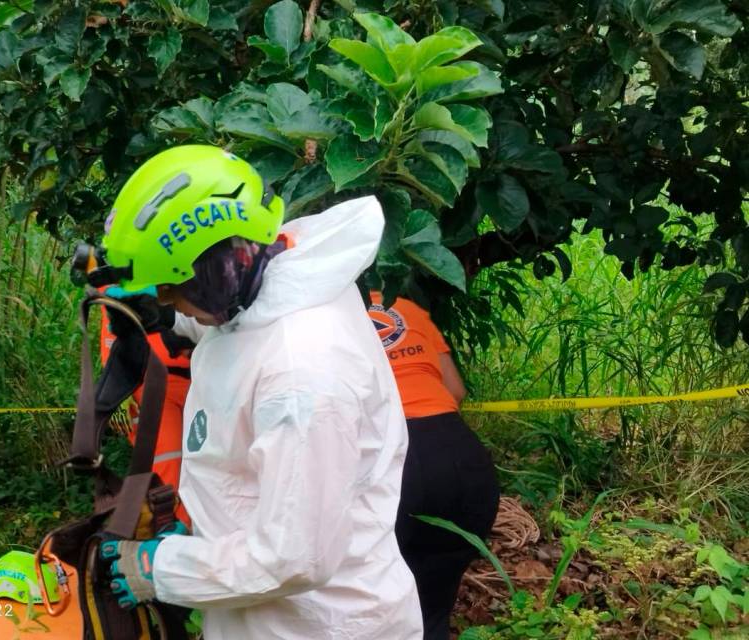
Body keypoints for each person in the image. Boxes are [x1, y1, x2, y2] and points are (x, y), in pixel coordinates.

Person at [95, 145, 423, 639]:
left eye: (171, 288)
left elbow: (296, 556)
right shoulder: (270, 284)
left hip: (319, 626)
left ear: (217, 271)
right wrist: (162, 314)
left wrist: (164, 567)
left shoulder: (302, 374)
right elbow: (233, 327)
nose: (169, 301)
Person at [368, 291, 500, 640]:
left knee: (380, 607)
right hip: (463, 458)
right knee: (433, 610)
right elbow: (455, 390)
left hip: (394, 461)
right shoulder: (408, 308)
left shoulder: (320, 318)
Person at [98, 299, 193, 527]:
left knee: (204, 463)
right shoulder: (120, 273)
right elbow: (112, 330)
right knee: (167, 465)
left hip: (199, 374)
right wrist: (119, 387)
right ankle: (170, 534)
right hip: (150, 379)